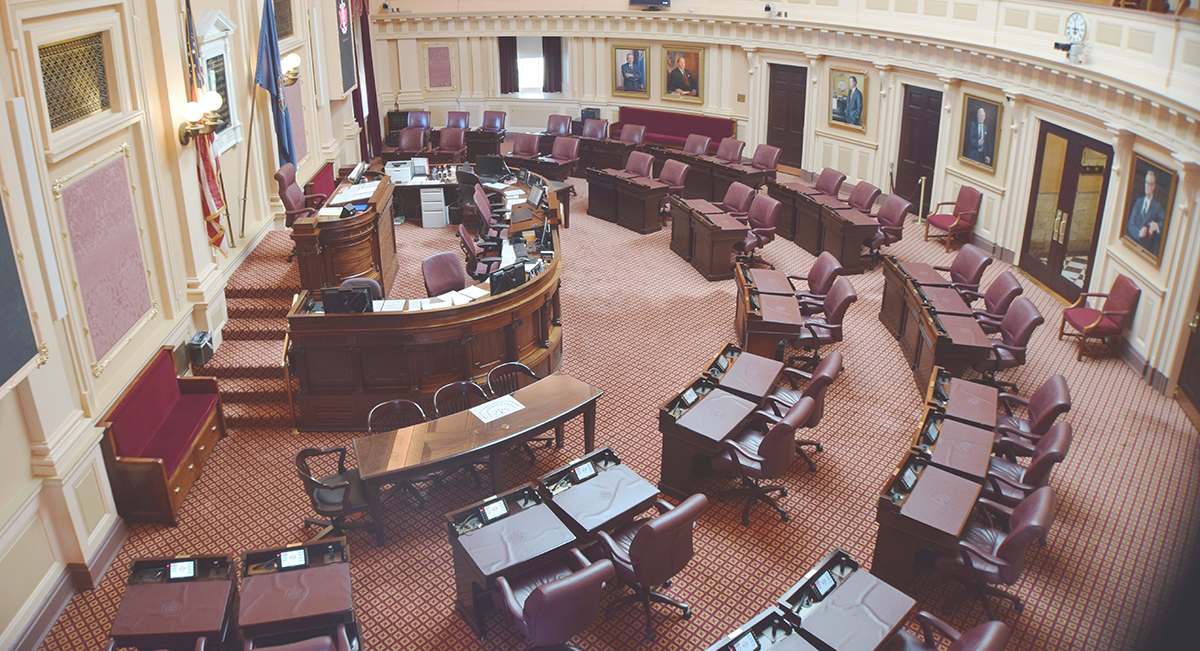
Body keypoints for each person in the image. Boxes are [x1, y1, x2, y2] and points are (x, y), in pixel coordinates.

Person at [1126, 170, 1166, 252]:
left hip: (1145, 249)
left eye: (1150, 184)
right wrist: (1138, 233)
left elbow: (1165, 223)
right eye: (1146, 183)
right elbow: (1130, 223)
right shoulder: (1138, 201)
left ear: (1154, 186)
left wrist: (1156, 226)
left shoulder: (1157, 207)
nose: (1148, 186)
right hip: (1131, 244)